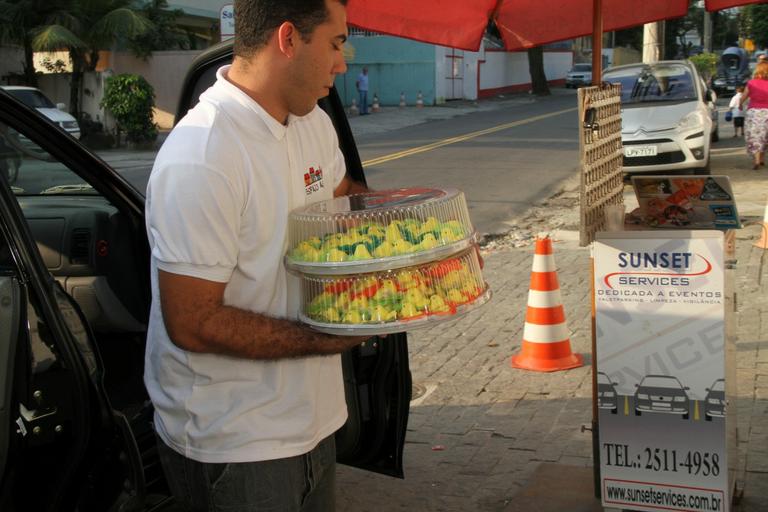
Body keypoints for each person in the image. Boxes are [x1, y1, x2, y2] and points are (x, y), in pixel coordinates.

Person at [143, 0, 370, 510]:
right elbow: (193, 321)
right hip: (237, 439)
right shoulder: (203, 155)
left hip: (315, 419)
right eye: (336, 43)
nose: (343, 64)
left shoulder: (311, 122)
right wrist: (325, 339)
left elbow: (341, 205)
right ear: (288, 39)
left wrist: (425, 249)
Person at [740, 61, 768, 169]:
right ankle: (761, 159)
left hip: (754, 113)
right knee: (765, 136)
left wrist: (740, 104)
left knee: (755, 136)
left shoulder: (751, 83)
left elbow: (744, 96)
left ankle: (756, 160)